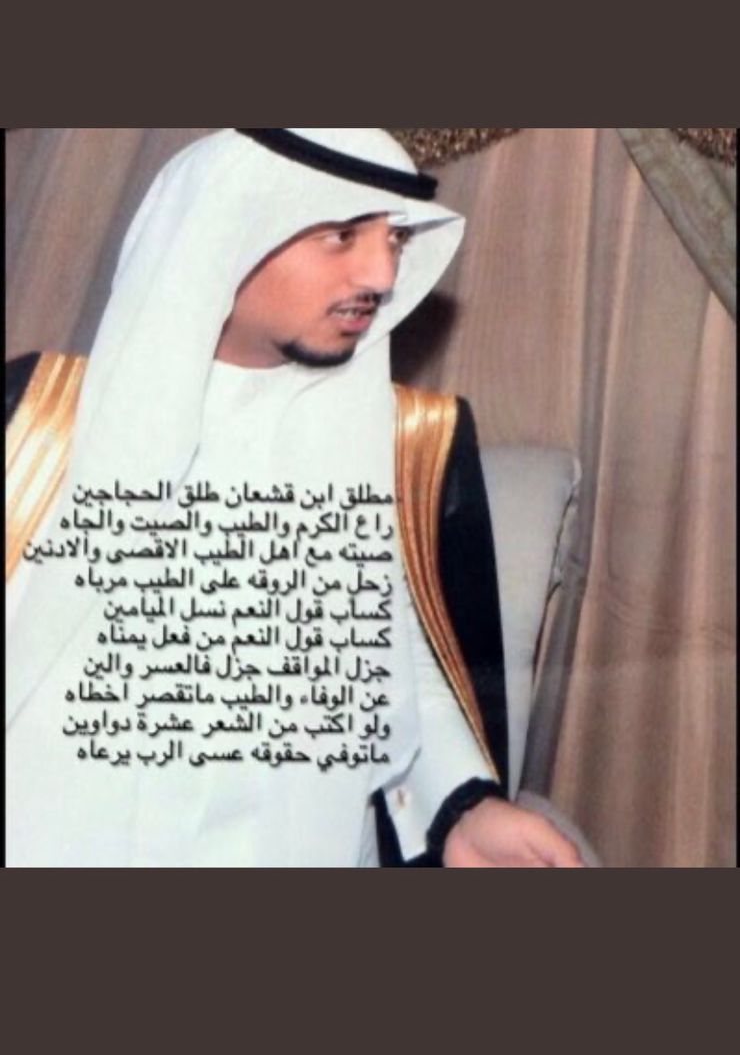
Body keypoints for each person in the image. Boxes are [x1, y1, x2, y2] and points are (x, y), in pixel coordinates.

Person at [6, 128, 584, 869]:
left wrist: (461, 807)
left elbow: (397, 653)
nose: (381, 272)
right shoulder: (33, 424)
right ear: (227, 230)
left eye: (394, 238)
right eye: (342, 235)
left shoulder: (406, 445)